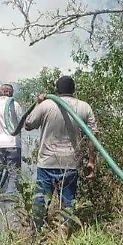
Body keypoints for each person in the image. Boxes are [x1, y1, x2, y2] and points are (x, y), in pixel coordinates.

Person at [21, 75, 97, 230]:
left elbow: (28, 125)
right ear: (74, 90)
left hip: (47, 163)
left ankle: (36, 234)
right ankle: (64, 233)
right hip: (71, 163)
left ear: (56, 90)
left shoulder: (46, 104)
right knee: (68, 202)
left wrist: (38, 104)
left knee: (41, 201)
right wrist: (91, 161)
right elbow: (93, 135)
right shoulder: (84, 107)